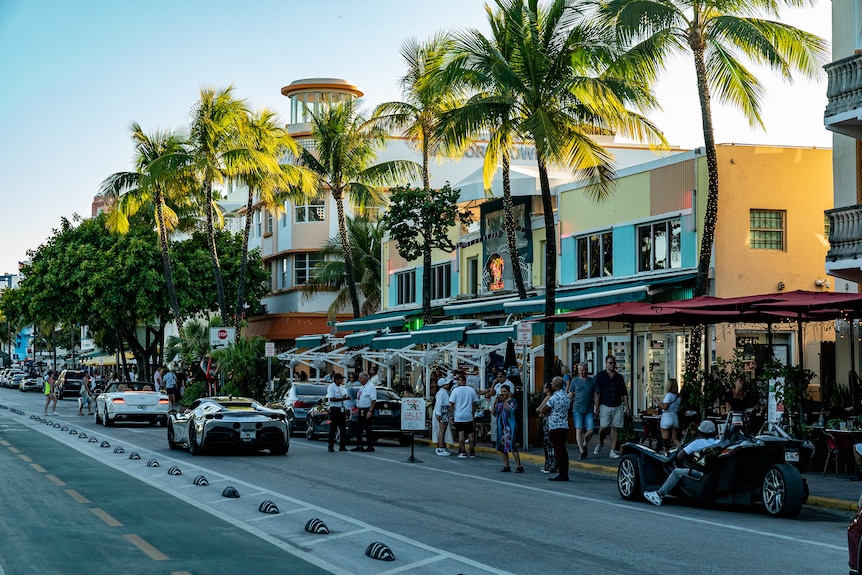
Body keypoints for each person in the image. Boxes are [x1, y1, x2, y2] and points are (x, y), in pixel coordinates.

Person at [644, 420, 721, 506]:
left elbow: (680, 456)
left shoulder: (697, 443)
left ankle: (659, 495)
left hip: (700, 473)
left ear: (701, 432)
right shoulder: (719, 443)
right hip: (713, 474)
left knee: (677, 472)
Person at [595, 355, 628, 459]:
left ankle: (612, 450)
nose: (612, 365)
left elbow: (624, 393)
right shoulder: (600, 376)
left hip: (617, 404)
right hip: (605, 404)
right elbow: (596, 392)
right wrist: (597, 406)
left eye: (613, 363)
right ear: (606, 363)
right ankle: (600, 441)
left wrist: (627, 407)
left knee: (615, 428)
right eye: (610, 363)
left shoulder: (619, 377)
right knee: (603, 427)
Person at [540, 377, 571, 481]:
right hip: (564, 425)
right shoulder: (566, 397)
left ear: (556, 385)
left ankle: (561, 472)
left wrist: (543, 410)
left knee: (558, 450)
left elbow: (544, 409)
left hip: (555, 425)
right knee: (563, 449)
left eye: (552, 384)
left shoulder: (554, 397)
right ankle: (564, 470)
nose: (551, 385)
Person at [568, 362, 596, 461]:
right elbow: (571, 393)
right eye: (580, 370)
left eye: (583, 370)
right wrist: (566, 401)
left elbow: (596, 394)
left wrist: (597, 407)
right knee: (579, 429)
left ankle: (585, 443)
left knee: (591, 429)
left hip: (589, 408)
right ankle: (581, 451)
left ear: (586, 369)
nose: (581, 372)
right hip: (577, 408)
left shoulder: (592, 381)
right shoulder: (574, 381)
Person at [449, 374, 479, 458]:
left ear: (461, 380)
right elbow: (474, 403)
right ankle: (472, 450)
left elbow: (452, 403)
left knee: (461, 433)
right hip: (468, 415)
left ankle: (463, 451)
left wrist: (451, 414)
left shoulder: (455, 391)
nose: (457, 382)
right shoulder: (471, 390)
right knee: (470, 433)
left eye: (458, 380)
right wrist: (472, 414)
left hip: (459, 415)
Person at [495, 386, 524, 473]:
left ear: (508, 392)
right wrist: (495, 403)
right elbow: (494, 412)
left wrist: (504, 402)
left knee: (512, 445)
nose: (503, 393)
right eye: (502, 391)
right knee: (503, 446)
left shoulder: (512, 401)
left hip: (510, 426)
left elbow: (511, 411)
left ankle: (519, 465)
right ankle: (506, 465)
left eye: (505, 391)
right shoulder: (500, 402)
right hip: (502, 426)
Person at [352, 372, 377, 452]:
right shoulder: (362, 387)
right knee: (359, 428)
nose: (359, 380)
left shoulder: (371, 387)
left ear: (364, 379)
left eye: (360, 378)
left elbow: (373, 400)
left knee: (367, 428)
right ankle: (359, 445)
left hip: (367, 409)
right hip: (361, 409)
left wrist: (370, 411)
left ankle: (370, 446)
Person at [536, 381, 557, 473]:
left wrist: (541, 411)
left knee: (548, 443)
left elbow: (539, 409)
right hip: (552, 421)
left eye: (545, 387)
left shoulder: (548, 397)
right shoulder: (554, 397)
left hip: (548, 421)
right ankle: (550, 464)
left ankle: (550, 465)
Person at [326, 373, 349, 452]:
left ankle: (342, 446)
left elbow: (344, 395)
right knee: (333, 427)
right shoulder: (331, 387)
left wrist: (346, 398)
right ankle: (331, 446)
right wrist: (342, 399)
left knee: (343, 428)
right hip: (334, 408)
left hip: (341, 409)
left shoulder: (342, 388)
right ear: (336, 379)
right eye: (340, 379)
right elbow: (332, 398)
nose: (342, 380)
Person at [659, 379, 682, 450]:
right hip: (675, 417)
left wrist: (658, 402)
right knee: (675, 439)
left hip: (667, 417)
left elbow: (665, 407)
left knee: (665, 440)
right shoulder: (678, 397)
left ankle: (666, 454)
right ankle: (683, 450)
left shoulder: (669, 395)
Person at [434, 378, 452, 456]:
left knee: (443, 430)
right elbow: (439, 403)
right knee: (442, 430)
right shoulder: (441, 393)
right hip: (443, 411)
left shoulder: (444, 392)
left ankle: (441, 447)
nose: (448, 385)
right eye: (446, 384)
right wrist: (439, 414)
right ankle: (440, 448)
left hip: (444, 411)